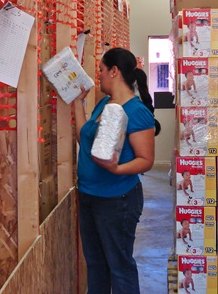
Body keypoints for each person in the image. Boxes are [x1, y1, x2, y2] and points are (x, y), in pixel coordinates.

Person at [73, 47, 156, 294]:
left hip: (117, 200)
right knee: (96, 264)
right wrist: (78, 103)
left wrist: (117, 168)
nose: (98, 75)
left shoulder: (136, 111)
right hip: (89, 196)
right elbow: (85, 142)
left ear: (114, 71)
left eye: (100, 69)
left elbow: (146, 160)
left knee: (119, 267)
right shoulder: (104, 105)